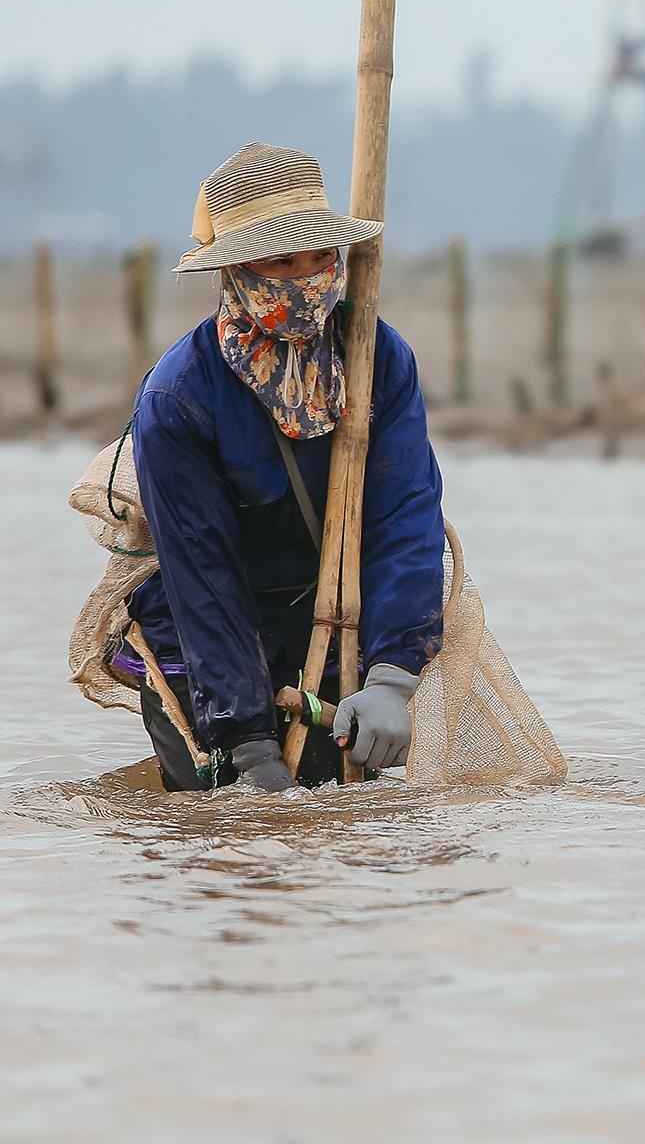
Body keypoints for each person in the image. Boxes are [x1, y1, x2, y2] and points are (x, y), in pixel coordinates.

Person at [123, 142, 445, 791]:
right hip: (203, 650)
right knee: (223, 825)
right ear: (236, 271)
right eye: (281, 261)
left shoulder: (376, 357)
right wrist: (248, 743)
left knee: (351, 824)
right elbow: (203, 576)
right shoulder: (179, 398)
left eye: (320, 256)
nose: (306, 278)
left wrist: (392, 676)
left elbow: (406, 516)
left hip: (336, 626)